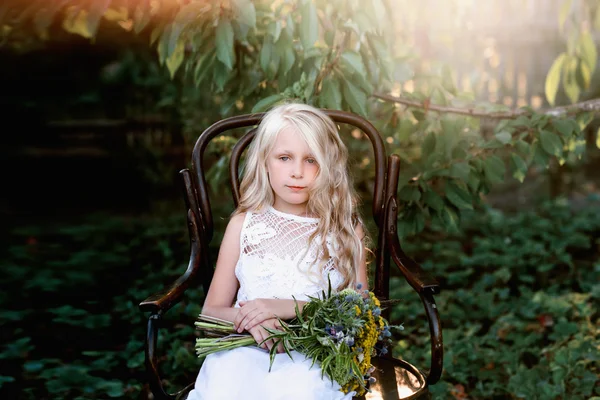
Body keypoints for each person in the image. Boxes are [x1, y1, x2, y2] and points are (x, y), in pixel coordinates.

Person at [187, 103, 369, 400]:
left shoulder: (343, 229)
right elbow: (212, 311)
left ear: (328, 166)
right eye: (285, 158)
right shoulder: (244, 225)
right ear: (264, 162)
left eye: (311, 160)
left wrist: (285, 307)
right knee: (227, 388)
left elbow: (358, 310)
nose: (297, 172)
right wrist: (256, 324)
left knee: (303, 391)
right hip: (246, 349)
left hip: (315, 356)